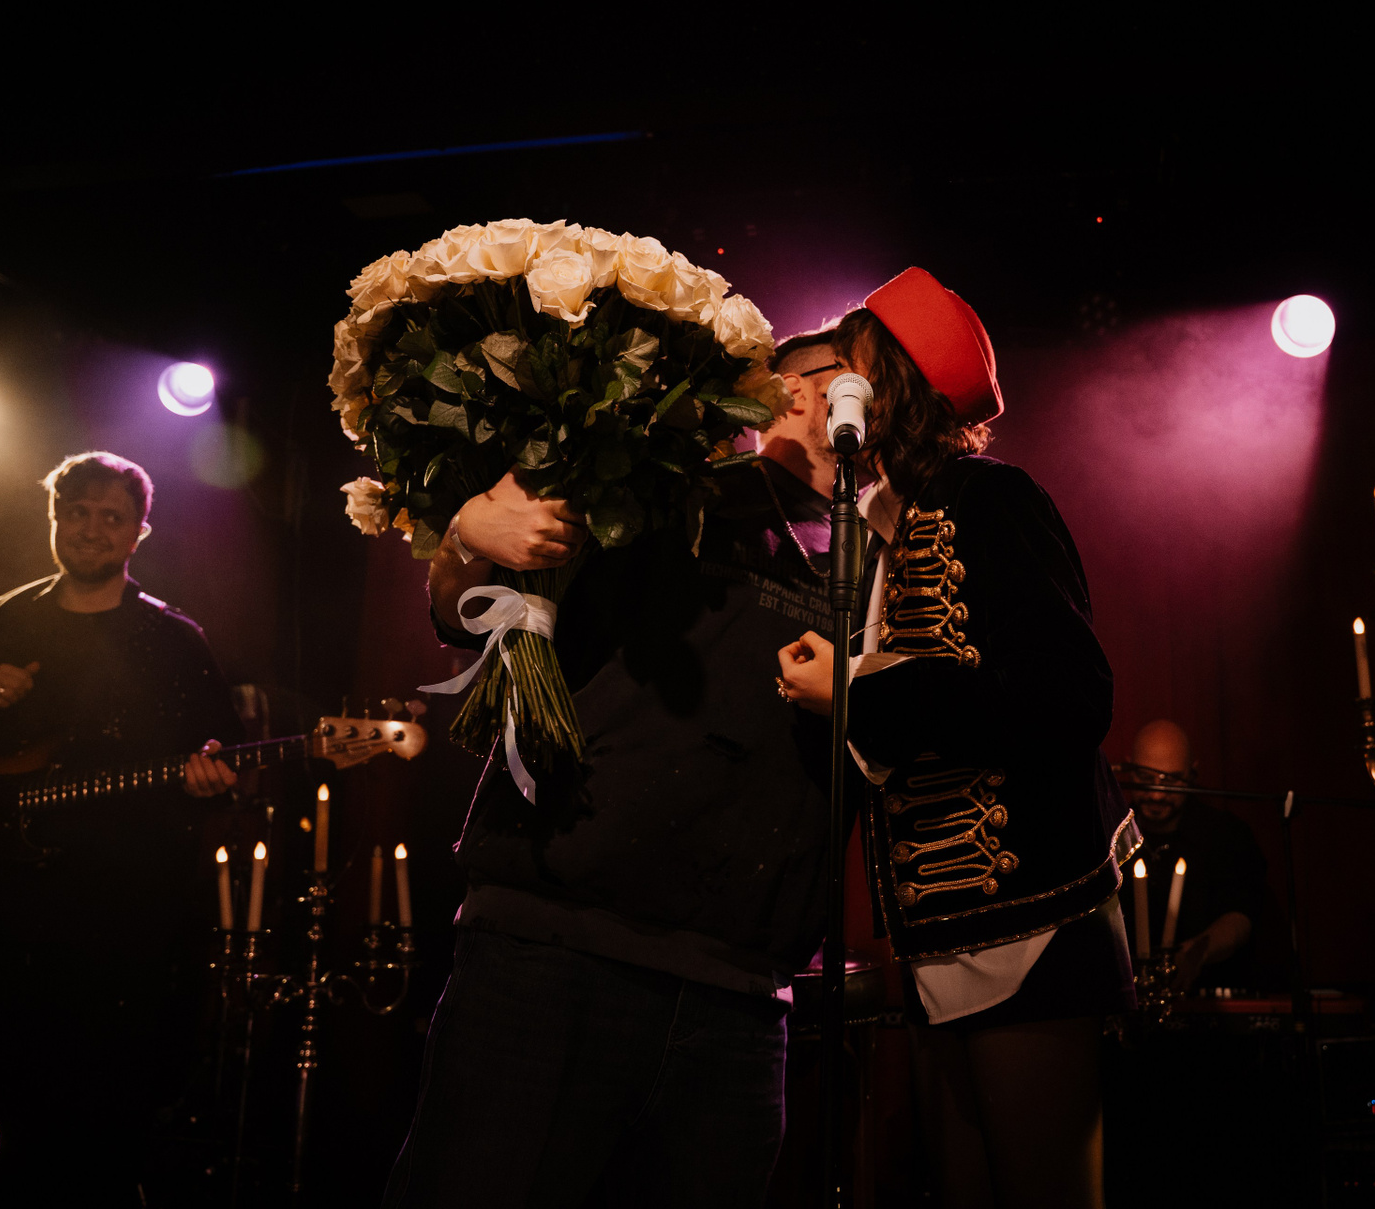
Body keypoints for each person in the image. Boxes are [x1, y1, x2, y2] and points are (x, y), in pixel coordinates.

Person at [383, 333, 861, 1207]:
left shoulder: (887, 559)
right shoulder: (669, 488)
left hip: (743, 990)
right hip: (556, 953)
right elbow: (470, 611)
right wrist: (465, 533)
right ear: (790, 391)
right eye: (857, 369)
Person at [775, 267, 1137, 1209]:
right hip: (939, 938)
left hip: (1032, 918)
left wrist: (857, 692)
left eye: (838, 366)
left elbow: (1070, 698)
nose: (812, 391)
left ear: (886, 382)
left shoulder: (990, 497)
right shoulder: (877, 533)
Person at [0, 450, 241, 1203]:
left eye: (111, 517)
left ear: (138, 534)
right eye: (77, 513)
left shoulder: (173, 641)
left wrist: (211, 776)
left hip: (109, 934)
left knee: (77, 1147)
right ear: (54, 519)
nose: (91, 529)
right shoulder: (2, 620)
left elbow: (222, 758)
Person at [1114, 719, 1265, 991]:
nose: (1157, 794)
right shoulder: (1110, 835)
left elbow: (1243, 912)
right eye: (1146, 778)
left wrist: (1197, 952)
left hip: (1207, 991)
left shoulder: (1225, 834)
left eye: (1171, 780)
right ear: (1129, 769)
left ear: (1192, 773)